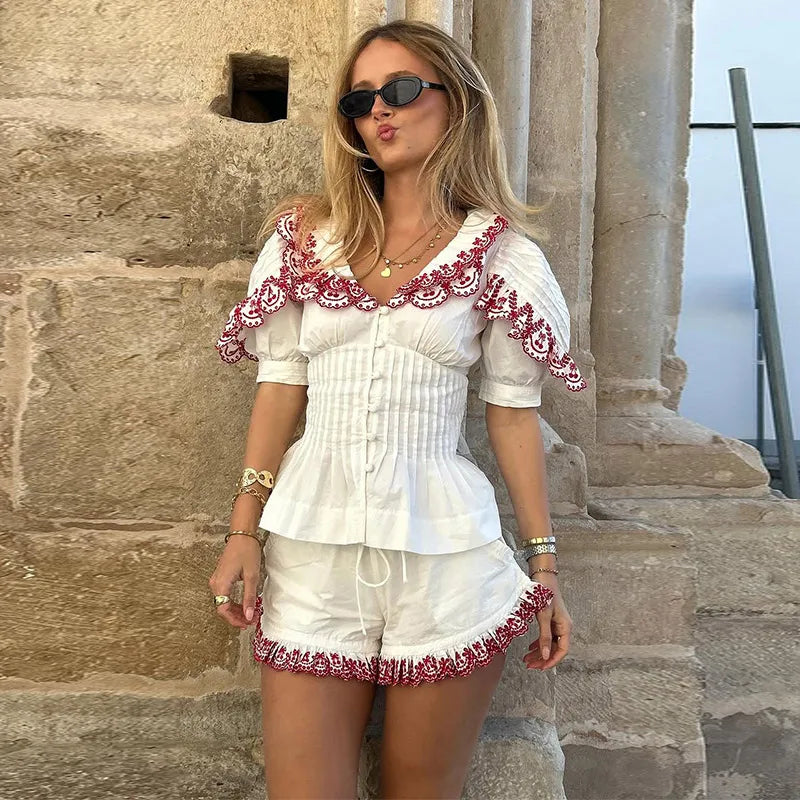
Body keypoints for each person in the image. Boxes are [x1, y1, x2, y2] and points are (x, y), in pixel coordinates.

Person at [209, 18, 587, 800]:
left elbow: (511, 413)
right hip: (312, 555)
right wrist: (242, 529)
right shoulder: (303, 241)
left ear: (458, 103)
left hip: (446, 562)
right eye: (360, 98)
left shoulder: (505, 257)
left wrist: (544, 566)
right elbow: (280, 384)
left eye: (403, 89)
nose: (379, 110)